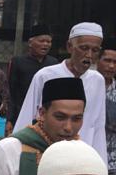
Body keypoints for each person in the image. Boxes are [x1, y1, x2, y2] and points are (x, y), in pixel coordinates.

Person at [16, 22, 107, 162]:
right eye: (84, 48)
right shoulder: (45, 75)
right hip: (46, 155)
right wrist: (17, 154)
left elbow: (98, 126)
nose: (89, 55)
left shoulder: (98, 81)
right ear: (69, 47)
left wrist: (100, 166)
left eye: (95, 50)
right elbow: (27, 116)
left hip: (83, 158)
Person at [6, 23, 57, 127]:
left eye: (48, 41)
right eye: (42, 41)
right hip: (22, 114)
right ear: (30, 42)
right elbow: (11, 93)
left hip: (47, 116)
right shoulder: (18, 62)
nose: (46, 44)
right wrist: (9, 119)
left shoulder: (54, 63)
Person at [98, 39, 116, 175]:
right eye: (107, 60)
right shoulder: (83, 87)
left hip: (112, 161)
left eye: (115, 62)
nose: (111, 66)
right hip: (89, 157)